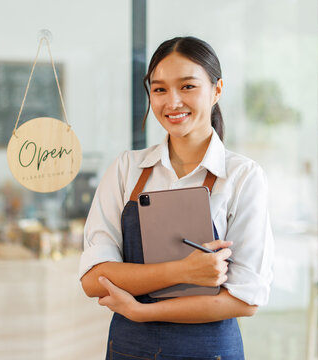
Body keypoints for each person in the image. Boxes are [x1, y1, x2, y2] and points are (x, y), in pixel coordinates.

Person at [79, 36, 274, 360]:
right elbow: (94, 278)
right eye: (159, 89)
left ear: (217, 89)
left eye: (187, 87)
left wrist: (142, 311)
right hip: (129, 351)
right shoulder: (127, 169)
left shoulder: (242, 177)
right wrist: (184, 271)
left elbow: (245, 299)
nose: (172, 102)